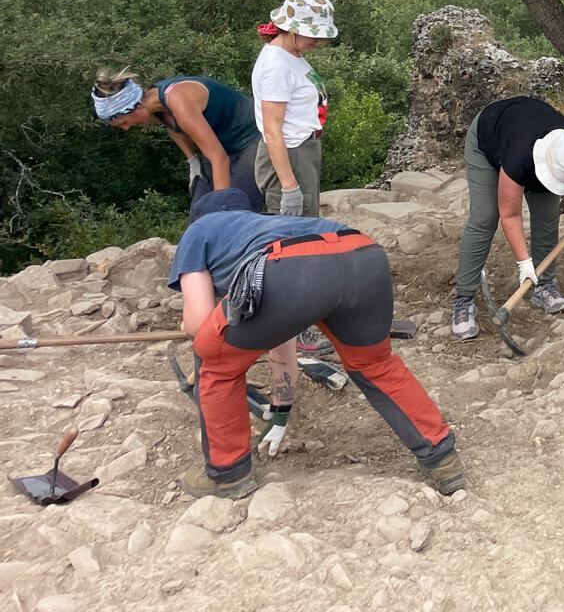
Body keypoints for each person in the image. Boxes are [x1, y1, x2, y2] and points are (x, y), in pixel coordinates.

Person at [169, 194, 464, 500]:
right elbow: (279, 337)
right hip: (362, 253)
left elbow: (199, 321)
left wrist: (192, 327)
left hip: (289, 268)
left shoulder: (198, 231)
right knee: (375, 364)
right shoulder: (269, 224)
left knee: (214, 361)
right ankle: (442, 458)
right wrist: (281, 411)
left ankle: (226, 473)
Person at [450, 97, 564, 341]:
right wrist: (524, 264)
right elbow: (510, 214)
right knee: (485, 217)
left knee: (547, 216)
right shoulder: (518, 156)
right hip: (488, 140)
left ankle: (545, 286)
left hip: (533, 139)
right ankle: (463, 299)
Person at [91, 69, 263, 212]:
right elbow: (175, 129)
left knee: (235, 207)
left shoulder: (178, 101)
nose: (127, 128)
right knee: (201, 207)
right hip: (224, 146)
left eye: (124, 122)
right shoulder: (156, 103)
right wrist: (193, 160)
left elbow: (219, 159)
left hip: (253, 138)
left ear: (135, 105)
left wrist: (223, 209)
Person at [252, 0, 335, 217]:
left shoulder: (290, 55)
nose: (318, 41)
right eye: (313, 34)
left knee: (306, 223)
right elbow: (272, 130)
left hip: (302, 150)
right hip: (289, 154)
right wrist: (289, 186)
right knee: (294, 233)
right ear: (292, 29)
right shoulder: (276, 65)